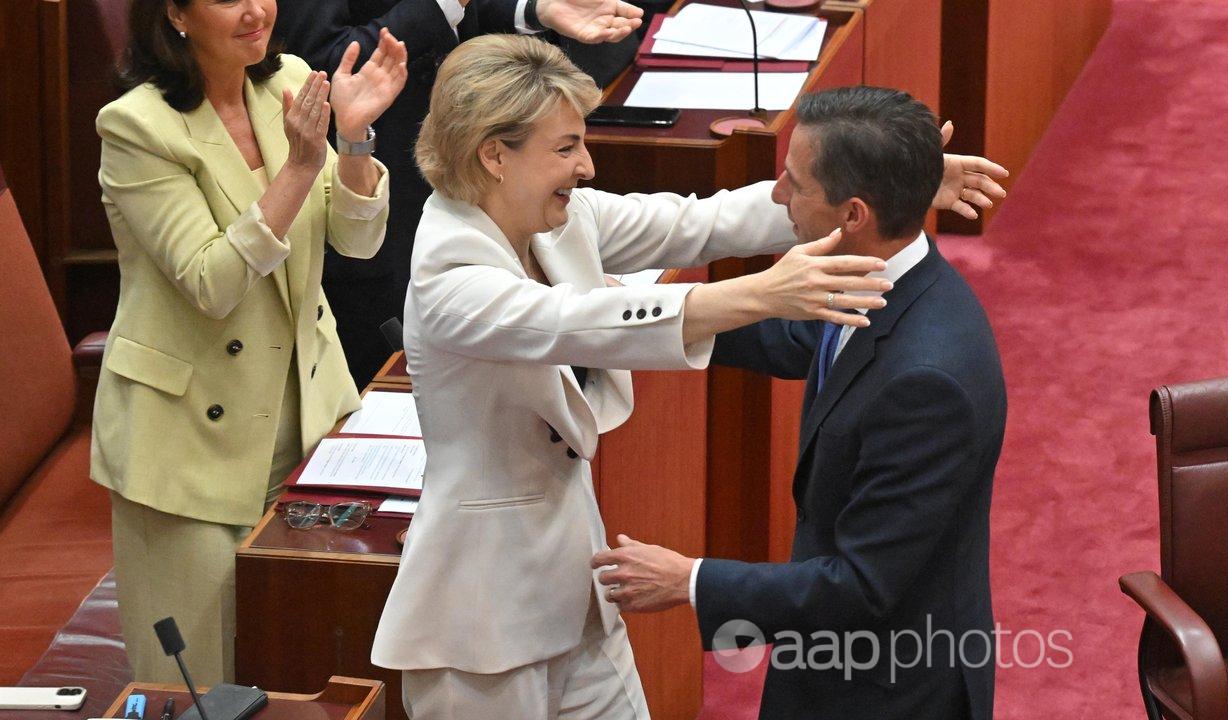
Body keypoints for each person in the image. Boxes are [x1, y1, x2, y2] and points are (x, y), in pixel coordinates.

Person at [371, 36, 1006, 719]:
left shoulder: (558, 218)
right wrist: (763, 292)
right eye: (565, 148)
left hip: (576, 587)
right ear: (495, 154)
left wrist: (892, 186)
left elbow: (695, 221)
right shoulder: (449, 275)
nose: (585, 167)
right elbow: (580, 320)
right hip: (480, 618)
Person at [592, 86, 1008, 720]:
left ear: (854, 214)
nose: (778, 196)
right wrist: (634, 308)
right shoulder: (879, 279)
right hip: (837, 659)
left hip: (891, 686)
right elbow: (792, 335)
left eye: (793, 183)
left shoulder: (928, 384)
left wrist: (690, 580)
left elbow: (864, 584)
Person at [92, 0, 406, 684]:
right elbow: (212, 282)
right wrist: (297, 166)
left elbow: (357, 240)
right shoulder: (137, 126)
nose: (255, 10)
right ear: (174, 13)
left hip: (306, 420)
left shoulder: (288, 81)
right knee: (199, 682)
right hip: (188, 444)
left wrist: (352, 140)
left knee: (308, 662)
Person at [274, 0, 643, 386]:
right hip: (380, 192)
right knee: (401, 381)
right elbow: (316, 64)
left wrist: (533, 9)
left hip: (469, 173)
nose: (586, 166)